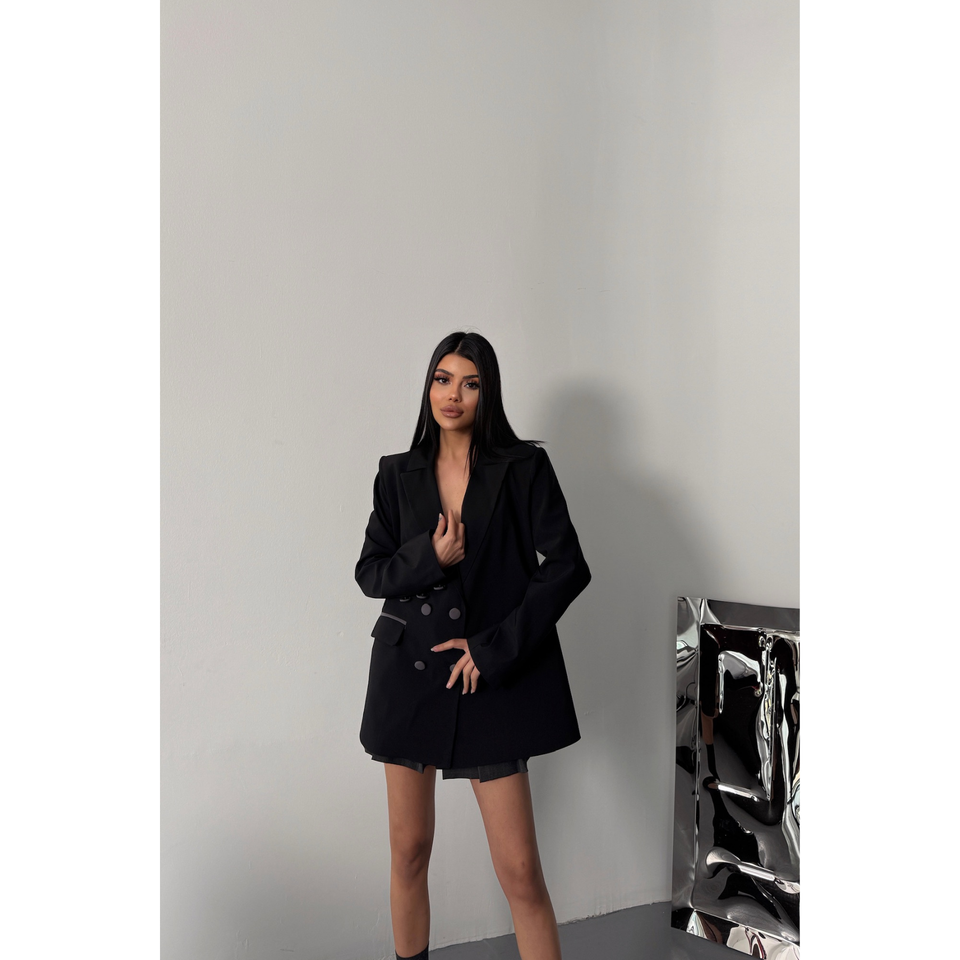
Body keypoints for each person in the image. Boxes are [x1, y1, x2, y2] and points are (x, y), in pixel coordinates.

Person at [355, 331, 591, 960]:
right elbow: (370, 573)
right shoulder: (396, 473)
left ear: (488, 393)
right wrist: (428, 559)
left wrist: (493, 649)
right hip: (409, 677)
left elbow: (567, 566)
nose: (452, 394)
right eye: (442, 379)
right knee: (409, 852)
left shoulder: (523, 468)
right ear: (428, 387)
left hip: (488, 677)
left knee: (520, 870)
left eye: (470, 382)